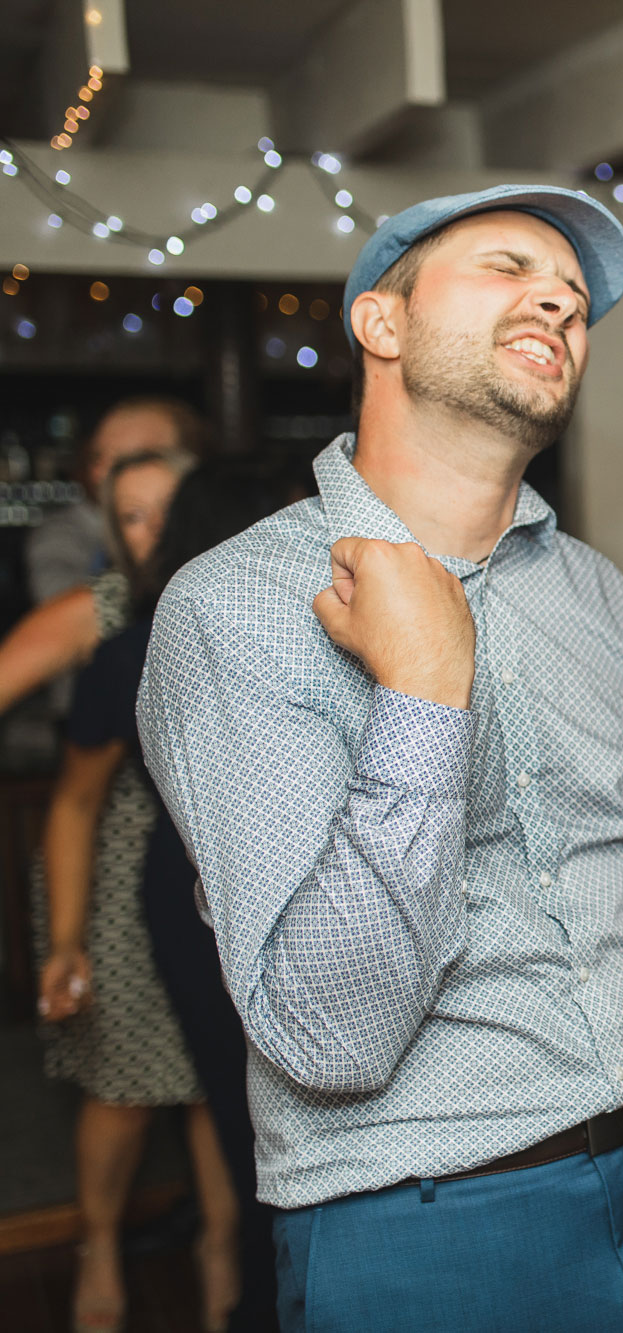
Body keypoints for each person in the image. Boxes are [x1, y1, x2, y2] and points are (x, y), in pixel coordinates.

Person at [135, 185, 623, 1333]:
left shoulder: (595, 594)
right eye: (505, 266)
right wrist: (425, 695)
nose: (560, 296)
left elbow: (620, 927)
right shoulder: (234, 607)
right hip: (434, 1220)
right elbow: (327, 1040)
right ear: (381, 326)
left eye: (574, 297)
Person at [79, 459, 300, 1333]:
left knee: (258, 1110)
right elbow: (74, 794)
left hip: (236, 882)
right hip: (194, 893)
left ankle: (252, 1287)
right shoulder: (155, 639)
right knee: (243, 1105)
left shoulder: (301, 620)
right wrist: (64, 936)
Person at [34, 448, 235, 1333]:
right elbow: (76, 798)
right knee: (121, 1087)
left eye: (167, 511)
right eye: (133, 516)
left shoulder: (241, 601)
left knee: (215, 1087)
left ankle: (224, 1254)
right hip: (124, 881)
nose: (154, 532)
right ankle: (100, 1248)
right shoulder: (117, 622)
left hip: (211, 872)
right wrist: (68, 938)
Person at [28, 397, 207, 604]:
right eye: (97, 457)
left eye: (134, 458)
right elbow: (55, 602)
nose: (99, 473)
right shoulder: (66, 530)